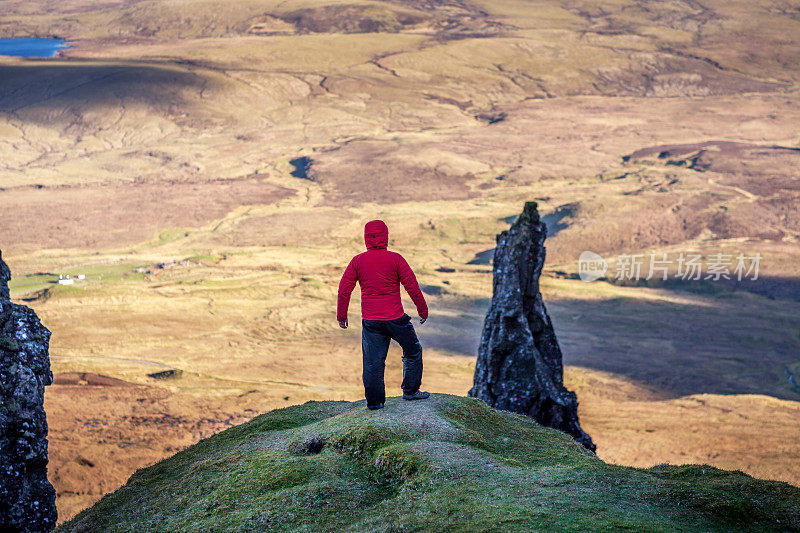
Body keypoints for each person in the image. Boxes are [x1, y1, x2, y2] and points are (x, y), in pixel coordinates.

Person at [337, 220, 430, 410]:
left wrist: (342, 315)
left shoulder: (358, 261)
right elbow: (412, 286)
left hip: (371, 321)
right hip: (396, 318)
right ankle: (411, 391)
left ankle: (375, 402)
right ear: (386, 236)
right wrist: (422, 310)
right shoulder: (395, 259)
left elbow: (344, 290)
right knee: (413, 351)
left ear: (366, 238)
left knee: (373, 363)